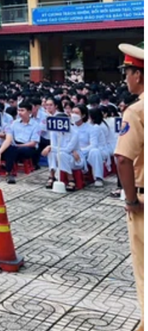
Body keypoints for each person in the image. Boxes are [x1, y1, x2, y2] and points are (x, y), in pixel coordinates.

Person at [114, 43, 144, 331]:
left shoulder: (136, 110)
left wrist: (132, 200)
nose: (126, 78)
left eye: (127, 72)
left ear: (138, 74)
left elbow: (123, 158)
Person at [0, 102, 41, 184]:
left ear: (29, 112)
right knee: (9, 148)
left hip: (28, 147)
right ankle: (8, 171)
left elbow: (33, 143)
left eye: (22, 110)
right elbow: (8, 137)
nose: (19, 112)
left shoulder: (36, 125)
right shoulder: (14, 123)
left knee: (13, 149)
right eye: (18, 110)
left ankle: (8, 170)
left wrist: (19, 145)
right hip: (14, 145)